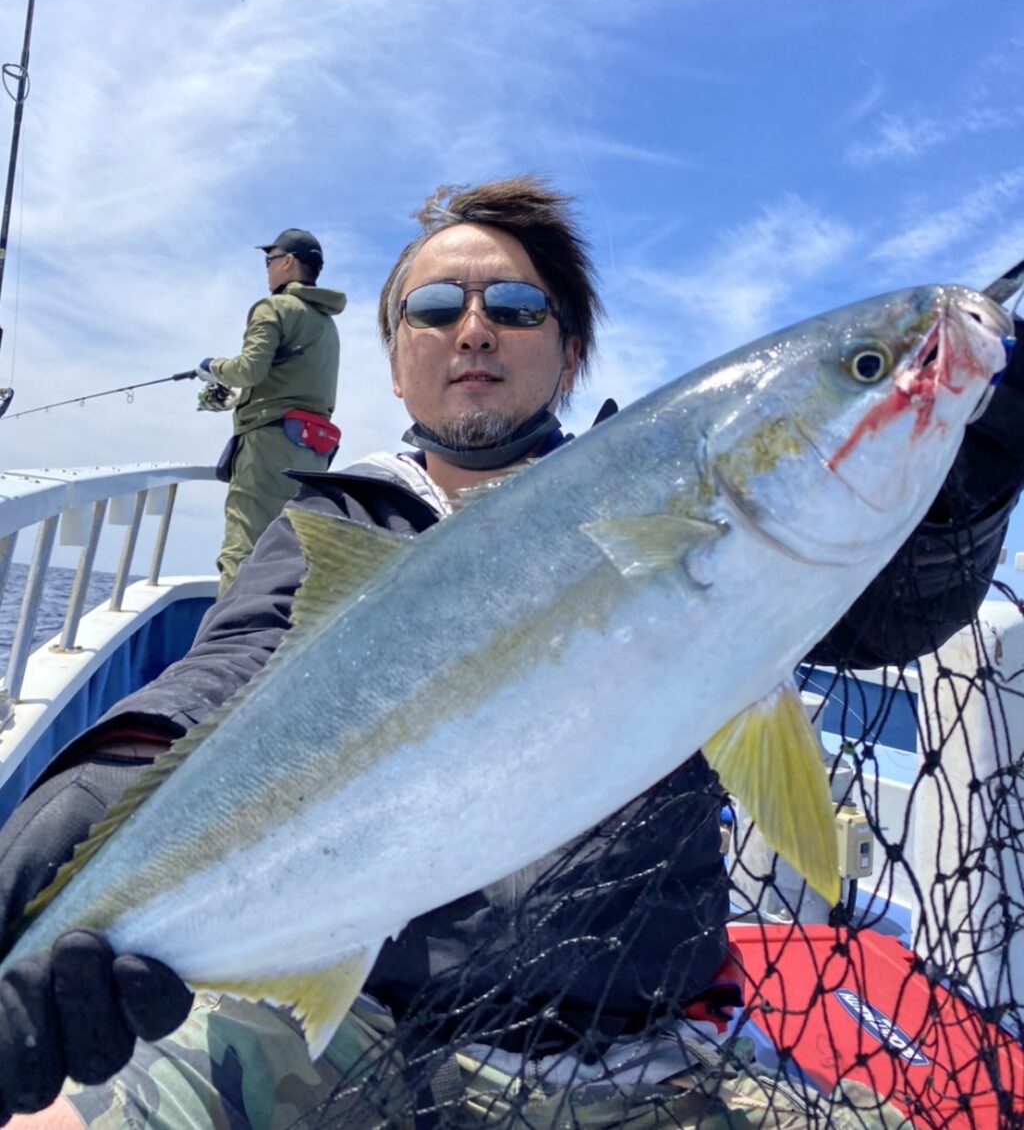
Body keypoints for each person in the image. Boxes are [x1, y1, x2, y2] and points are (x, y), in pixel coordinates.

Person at [1, 177, 1023, 1129]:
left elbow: (891, 610)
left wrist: (967, 478)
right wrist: (87, 806)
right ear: (396, 359)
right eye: (434, 307)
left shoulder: (675, 502)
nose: (474, 328)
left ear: (570, 355)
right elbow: (224, 678)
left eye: (519, 308)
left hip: (634, 1046)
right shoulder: (333, 524)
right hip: (346, 1018)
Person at [195, 227, 347, 596]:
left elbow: (250, 369)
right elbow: (292, 387)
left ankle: (228, 632)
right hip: (313, 453)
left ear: (288, 262)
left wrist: (212, 367)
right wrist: (235, 400)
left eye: (270, 260)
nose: (267, 268)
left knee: (243, 552)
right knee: (289, 559)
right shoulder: (327, 325)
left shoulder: (273, 308)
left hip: (267, 450)